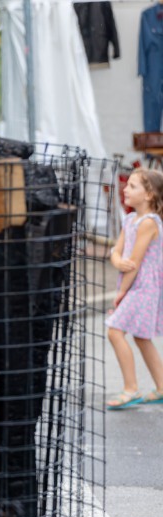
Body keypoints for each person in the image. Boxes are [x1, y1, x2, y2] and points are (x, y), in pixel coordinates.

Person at [105, 167, 163, 409]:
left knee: (114, 330)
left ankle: (130, 389)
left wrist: (121, 294)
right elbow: (117, 252)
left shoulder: (149, 223)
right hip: (133, 283)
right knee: (141, 337)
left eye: (132, 186)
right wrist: (116, 259)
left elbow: (135, 264)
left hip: (143, 287)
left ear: (149, 195)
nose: (125, 189)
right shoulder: (130, 219)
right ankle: (162, 387)